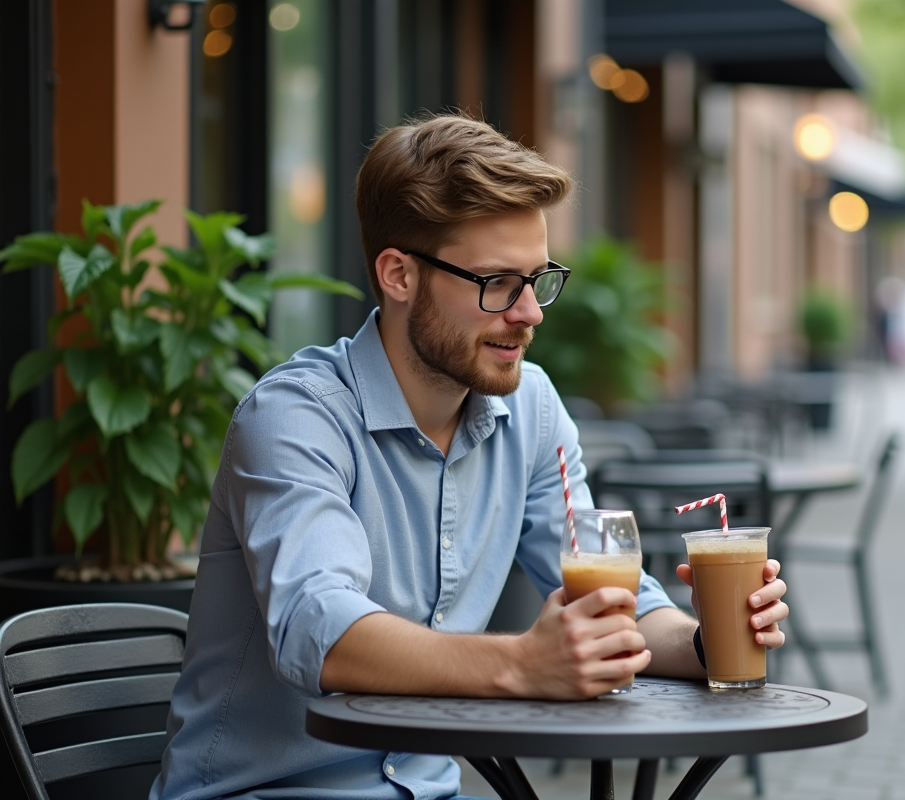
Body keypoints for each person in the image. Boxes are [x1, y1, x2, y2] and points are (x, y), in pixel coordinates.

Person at [152, 115, 790, 800]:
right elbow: (321, 632)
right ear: (398, 275)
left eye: (538, 280)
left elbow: (617, 604)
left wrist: (706, 643)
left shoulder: (533, 409)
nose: (529, 314)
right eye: (496, 284)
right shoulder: (295, 417)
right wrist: (521, 663)